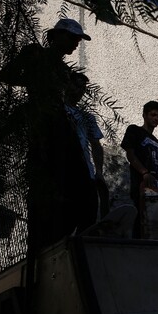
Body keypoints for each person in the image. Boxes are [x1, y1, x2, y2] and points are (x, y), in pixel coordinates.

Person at [0, 18, 93, 247]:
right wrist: (33, 79)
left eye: (78, 41)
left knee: (81, 184)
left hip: (61, 125)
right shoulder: (35, 55)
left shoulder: (64, 70)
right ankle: (46, 239)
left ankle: (72, 232)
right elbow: (6, 75)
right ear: (57, 36)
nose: (75, 45)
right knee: (50, 183)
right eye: (72, 39)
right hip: (43, 126)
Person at [120, 101, 158, 239]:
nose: (156, 118)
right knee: (142, 222)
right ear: (144, 115)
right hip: (142, 185)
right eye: (153, 115)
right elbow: (130, 154)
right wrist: (144, 172)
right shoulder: (134, 130)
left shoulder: (157, 142)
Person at [65, 71, 108, 225]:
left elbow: (96, 144)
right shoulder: (57, 110)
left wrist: (99, 172)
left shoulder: (87, 117)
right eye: (77, 86)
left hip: (86, 172)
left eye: (83, 88)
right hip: (64, 171)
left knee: (88, 217)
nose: (80, 91)